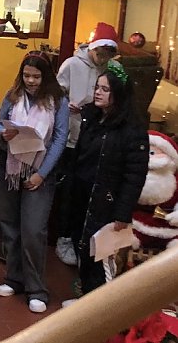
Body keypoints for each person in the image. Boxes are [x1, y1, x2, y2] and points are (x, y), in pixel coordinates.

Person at [0, 51, 69, 314]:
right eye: (26, 75)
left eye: (36, 76)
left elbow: (60, 139)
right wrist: (4, 133)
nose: (31, 81)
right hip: (10, 167)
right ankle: (14, 278)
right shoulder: (12, 95)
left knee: (34, 231)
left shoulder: (58, 100)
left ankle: (37, 289)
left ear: (46, 76)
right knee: (10, 225)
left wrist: (42, 174)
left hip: (39, 171)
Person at [65, 63, 148, 302]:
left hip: (107, 204)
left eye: (105, 89)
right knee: (82, 247)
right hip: (83, 196)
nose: (98, 93)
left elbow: (135, 175)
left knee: (100, 257)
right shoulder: (91, 118)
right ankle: (85, 300)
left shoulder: (132, 129)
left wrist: (123, 213)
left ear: (119, 94)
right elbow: (81, 158)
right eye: (97, 87)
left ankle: (95, 308)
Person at [54, 22, 121, 266]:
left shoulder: (114, 69)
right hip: (73, 138)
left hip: (98, 141)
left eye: (108, 54)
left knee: (89, 195)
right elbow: (56, 93)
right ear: (92, 48)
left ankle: (87, 243)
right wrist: (66, 104)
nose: (102, 58)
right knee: (69, 192)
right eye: (100, 53)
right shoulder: (73, 64)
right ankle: (64, 238)